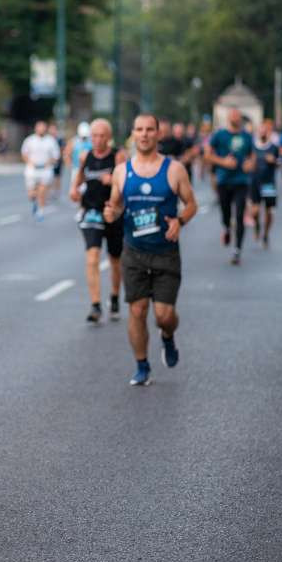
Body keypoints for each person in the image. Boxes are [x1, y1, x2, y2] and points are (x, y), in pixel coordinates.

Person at [104, 113, 197, 387]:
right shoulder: (122, 171)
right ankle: (142, 365)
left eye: (149, 130)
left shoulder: (174, 169)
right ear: (133, 134)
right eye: (139, 130)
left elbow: (192, 204)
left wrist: (179, 221)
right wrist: (111, 214)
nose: (144, 134)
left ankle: (167, 336)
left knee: (164, 317)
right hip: (133, 250)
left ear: (158, 134)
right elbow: (116, 205)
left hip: (166, 252)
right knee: (137, 310)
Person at [69, 119, 125, 323]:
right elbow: (78, 181)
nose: (98, 139)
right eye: (95, 135)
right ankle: (95, 305)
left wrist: (114, 181)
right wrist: (74, 192)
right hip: (91, 212)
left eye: (102, 136)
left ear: (108, 137)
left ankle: (115, 296)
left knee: (115, 259)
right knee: (92, 257)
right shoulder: (86, 156)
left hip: (112, 212)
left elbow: (126, 183)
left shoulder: (117, 156)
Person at [205, 109, 255, 265]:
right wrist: (223, 162)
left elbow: (252, 155)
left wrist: (250, 164)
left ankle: (237, 250)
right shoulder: (219, 135)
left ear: (240, 118)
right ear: (228, 118)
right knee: (225, 212)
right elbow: (207, 155)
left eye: (238, 115)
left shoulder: (247, 136)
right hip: (223, 180)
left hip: (241, 181)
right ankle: (226, 228)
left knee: (240, 215)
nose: (235, 118)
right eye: (232, 115)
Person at [22, 121, 60, 221]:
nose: (41, 129)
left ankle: (41, 212)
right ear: (36, 128)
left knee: (42, 192)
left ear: (45, 129)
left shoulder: (51, 141)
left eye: (43, 128)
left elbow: (56, 156)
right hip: (32, 170)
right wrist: (29, 162)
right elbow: (24, 153)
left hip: (45, 170)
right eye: (39, 127)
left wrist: (50, 162)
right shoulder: (30, 140)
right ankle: (34, 201)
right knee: (31, 195)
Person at [249, 118, 279, 248]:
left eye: (265, 130)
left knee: (269, 211)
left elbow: (280, 163)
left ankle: (266, 234)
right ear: (257, 131)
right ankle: (256, 225)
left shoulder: (273, 147)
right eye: (260, 130)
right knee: (254, 211)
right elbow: (247, 163)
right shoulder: (252, 147)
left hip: (268, 183)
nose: (262, 132)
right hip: (255, 181)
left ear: (268, 132)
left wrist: (274, 161)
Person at [65, 122, 92, 192]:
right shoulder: (74, 141)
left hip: (89, 169)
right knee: (77, 189)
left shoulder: (91, 141)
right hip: (76, 168)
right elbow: (67, 153)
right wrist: (70, 164)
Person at [49, 122, 65, 198]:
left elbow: (62, 149)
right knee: (49, 176)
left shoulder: (59, 139)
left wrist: (59, 158)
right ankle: (50, 190)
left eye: (54, 129)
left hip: (58, 160)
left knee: (57, 176)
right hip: (49, 161)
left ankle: (57, 190)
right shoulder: (47, 139)